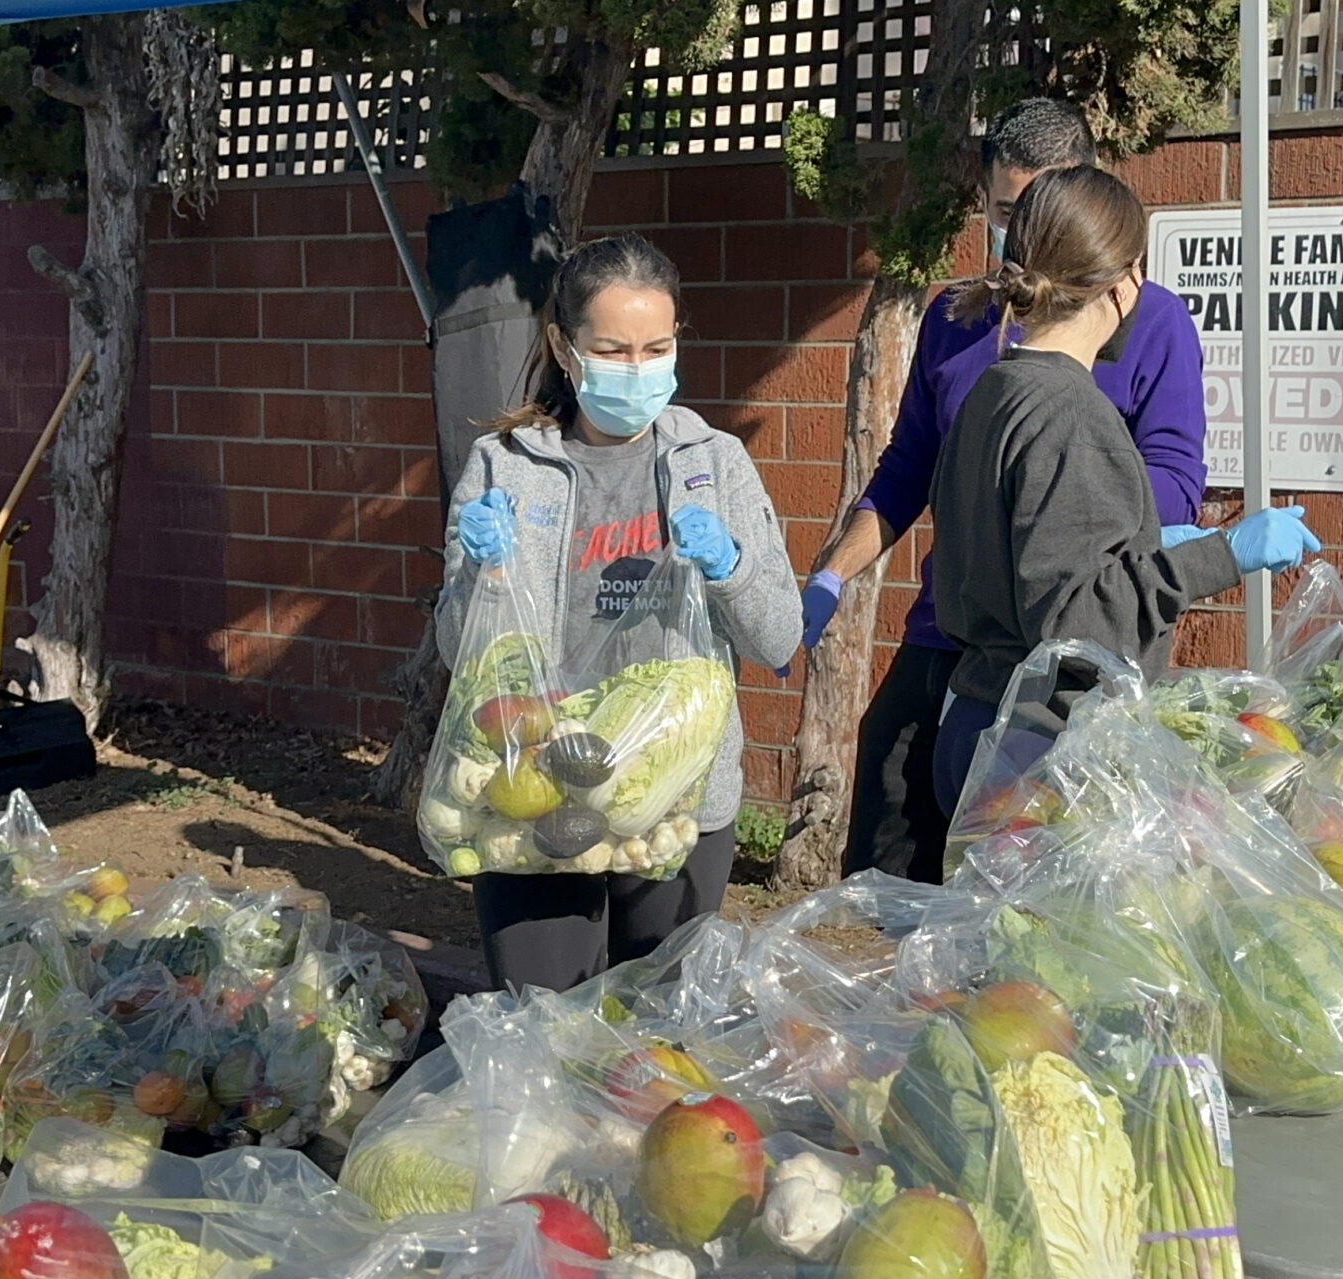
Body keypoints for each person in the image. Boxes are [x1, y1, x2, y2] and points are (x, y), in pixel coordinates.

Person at [795, 97, 1208, 884]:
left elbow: (1175, 482)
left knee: (1021, 898)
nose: (1026, 238)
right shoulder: (960, 319)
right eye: (1010, 212)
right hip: (952, 633)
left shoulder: (1147, 323)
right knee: (889, 870)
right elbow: (908, 465)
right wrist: (830, 575)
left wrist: (1052, 520)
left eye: (1045, 211)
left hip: (1057, 654)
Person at [438, 234, 798, 991]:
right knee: (543, 1019)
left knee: (657, 1034)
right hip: (533, 789)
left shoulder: (714, 464)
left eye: (656, 348)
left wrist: (731, 568)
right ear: (564, 348)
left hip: (674, 793)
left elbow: (779, 637)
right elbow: (457, 651)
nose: (638, 370)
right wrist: (478, 574)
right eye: (614, 350)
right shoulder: (504, 468)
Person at [925, 165, 1320, 813]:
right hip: (1042, 743)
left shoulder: (995, 390)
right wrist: (1219, 556)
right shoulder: (1071, 414)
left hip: (978, 723)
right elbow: (1079, 626)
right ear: (1125, 283)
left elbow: (1030, 557)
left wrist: (1148, 546)